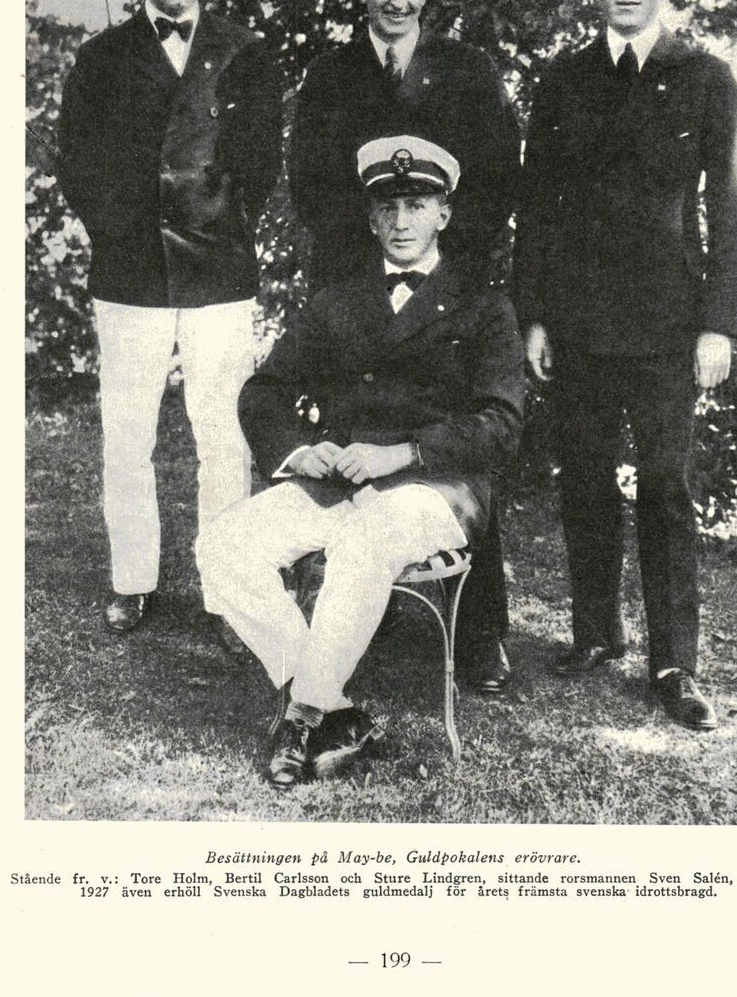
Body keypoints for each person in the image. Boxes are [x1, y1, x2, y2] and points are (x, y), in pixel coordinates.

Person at [198, 136, 525, 789]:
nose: (402, 221)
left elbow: (502, 422)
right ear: (371, 218)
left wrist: (404, 451)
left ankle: (302, 717)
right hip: (339, 478)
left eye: (417, 205)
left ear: (443, 214)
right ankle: (338, 710)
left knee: (365, 540)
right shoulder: (337, 303)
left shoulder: (483, 306)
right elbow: (263, 391)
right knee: (222, 546)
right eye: (388, 207)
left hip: (435, 485)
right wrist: (299, 449)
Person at [515, 0, 737, 731]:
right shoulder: (566, 79)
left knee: (664, 488)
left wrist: (719, 324)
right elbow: (536, 209)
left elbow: (731, 209)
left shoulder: (705, 77)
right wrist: (534, 316)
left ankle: (674, 662)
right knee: (583, 479)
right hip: (578, 322)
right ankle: (595, 633)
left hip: (667, 327)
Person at [291, 0, 522, 692]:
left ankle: (481, 629)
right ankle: (365, 607)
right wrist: (368, 267)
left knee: (457, 438)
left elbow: (497, 179)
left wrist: (442, 268)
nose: (398, 0)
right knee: (355, 431)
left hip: (447, 291)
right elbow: (309, 185)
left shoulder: (467, 72)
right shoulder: (331, 76)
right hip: (355, 286)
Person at [57, 0, 282, 639]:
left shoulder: (245, 52)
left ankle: (224, 586)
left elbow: (260, 163)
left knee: (223, 434)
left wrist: (221, 225)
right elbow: (78, 165)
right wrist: (125, 232)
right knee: (129, 435)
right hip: (132, 274)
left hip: (219, 271)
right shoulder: (102, 59)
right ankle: (133, 581)